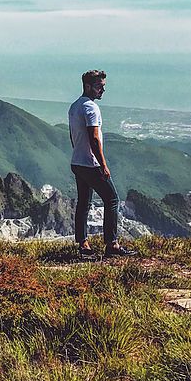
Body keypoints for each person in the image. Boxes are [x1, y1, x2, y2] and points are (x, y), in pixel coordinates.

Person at [68, 70, 135, 257]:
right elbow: (94, 138)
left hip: (77, 161)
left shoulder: (74, 106)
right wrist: (103, 164)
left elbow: (73, 136)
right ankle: (111, 244)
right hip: (91, 164)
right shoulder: (91, 108)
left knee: (83, 203)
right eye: (99, 87)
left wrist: (78, 153)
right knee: (112, 199)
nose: (103, 90)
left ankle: (83, 245)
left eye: (103, 86)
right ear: (88, 86)